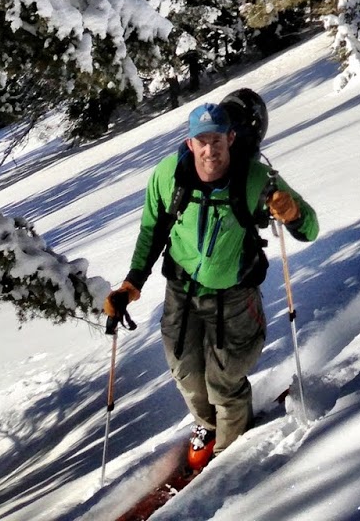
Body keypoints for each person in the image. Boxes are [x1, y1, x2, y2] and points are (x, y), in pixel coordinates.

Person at [104, 100, 318, 468]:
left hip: (235, 294)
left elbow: (310, 227)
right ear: (189, 143)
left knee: (224, 380)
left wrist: (292, 213)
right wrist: (132, 282)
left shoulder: (255, 180)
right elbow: (152, 230)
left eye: (217, 139)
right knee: (185, 372)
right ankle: (208, 425)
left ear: (230, 138)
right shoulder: (168, 175)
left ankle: (228, 459)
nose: (210, 149)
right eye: (201, 140)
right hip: (182, 290)